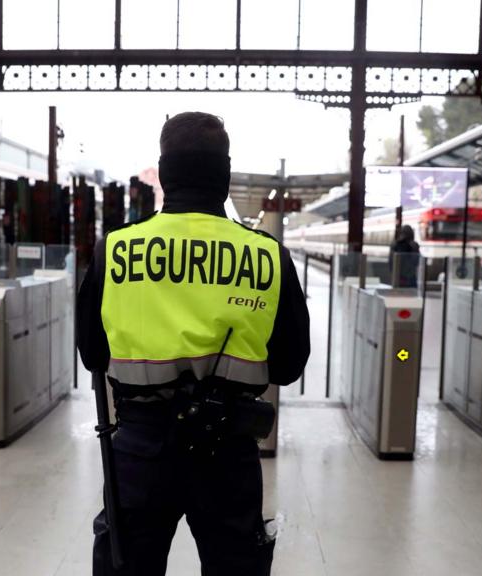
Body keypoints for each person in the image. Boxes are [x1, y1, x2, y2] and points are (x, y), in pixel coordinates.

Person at [77, 112, 310, 576]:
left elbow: (92, 354)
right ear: (224, 176)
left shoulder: (115, 250)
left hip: (139, 449)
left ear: (164, 175)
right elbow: (287, 366)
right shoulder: (269, 256)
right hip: (228, 452)